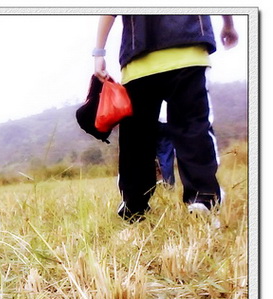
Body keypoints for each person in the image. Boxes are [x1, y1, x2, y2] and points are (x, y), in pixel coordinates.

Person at [93, 15, 238, 222]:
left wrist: (99, 51)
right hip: (188, 47)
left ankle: (134, 204)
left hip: (138, 57)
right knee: (193, 128)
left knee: (136, 139)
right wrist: (228, 24)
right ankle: (203, 198)